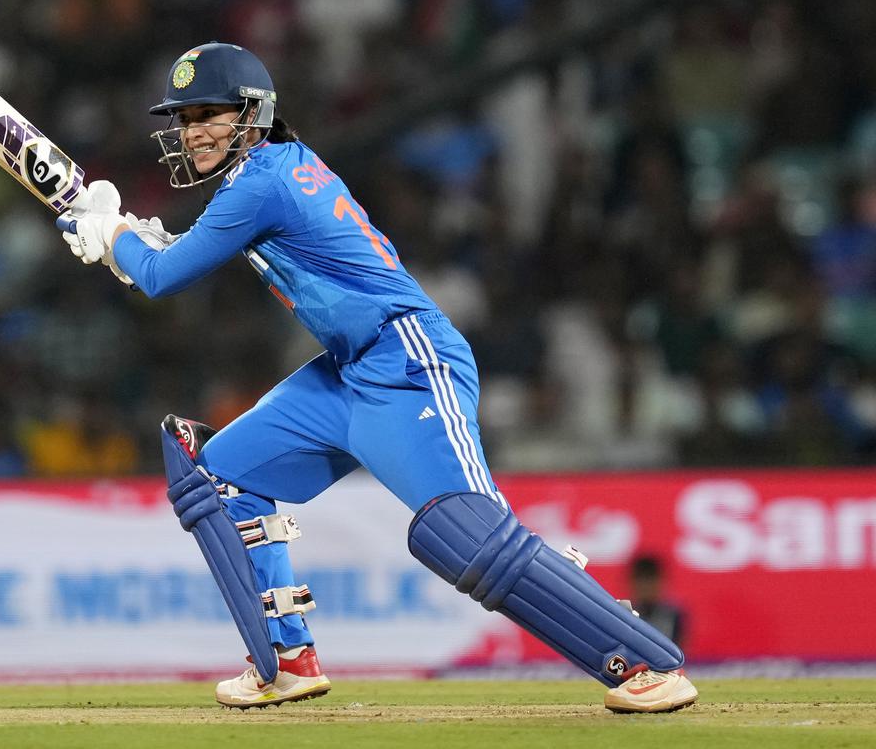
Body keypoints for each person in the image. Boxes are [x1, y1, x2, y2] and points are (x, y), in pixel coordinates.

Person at [57, 42, 699, 713]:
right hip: (346, 374)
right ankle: (287, 658)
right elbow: (176, 257)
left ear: (254, 113)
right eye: (185, 119)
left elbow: (162, 278)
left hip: (408, 363)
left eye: (209, 114)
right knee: (221, 476)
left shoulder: (261, 182)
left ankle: (643, 658)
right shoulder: (270, 173)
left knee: (466, 537)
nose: (194, 132)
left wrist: (113, 237)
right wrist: (131, 241)